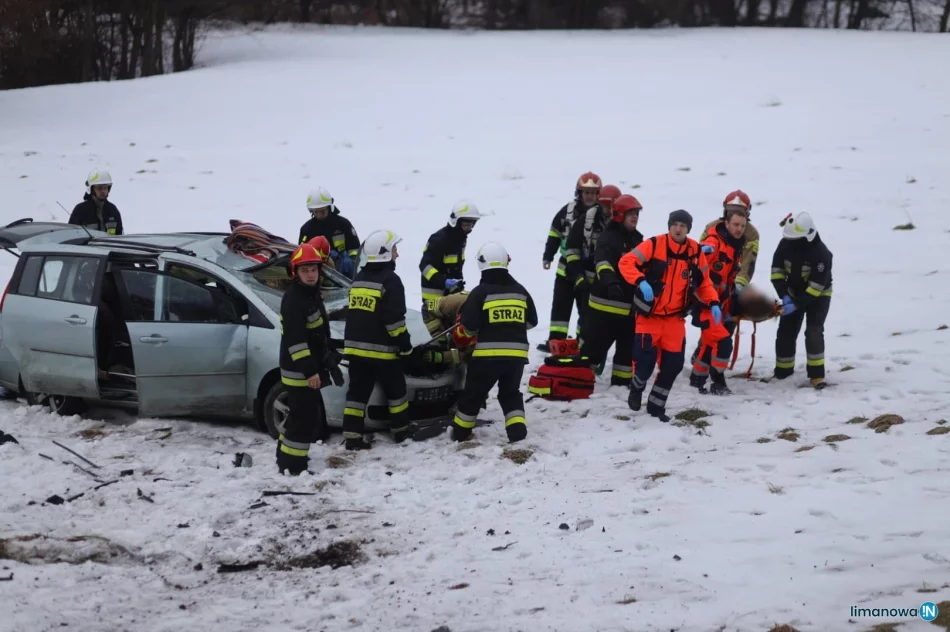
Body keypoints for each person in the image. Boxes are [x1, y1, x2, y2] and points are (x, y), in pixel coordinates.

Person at [618, 210, 720, 421]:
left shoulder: (695, 252)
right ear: (669, 225)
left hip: (674, 319)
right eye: (674, 224)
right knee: (644, 365)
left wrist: (714, 302)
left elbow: (704, 283)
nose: (678, 228)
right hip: (649, 317)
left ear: (688, 229)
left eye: (682, 225)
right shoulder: (654, 245)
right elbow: (626, 263)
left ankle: (656, 407)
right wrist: (640, 281)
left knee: (672, 366)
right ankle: (637, 388)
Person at [451, 242, 538, 443]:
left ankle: (461, 433)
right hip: (516, 357)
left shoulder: (480, 293)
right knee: (510, 394)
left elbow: (469, 328)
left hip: (486, 358)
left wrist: (460, 333)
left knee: (474, 393)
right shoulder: (521, 290)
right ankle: (517, 431)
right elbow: (532, 321)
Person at [342, 229, 414, 449]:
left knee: (356, 394)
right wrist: (405, 345)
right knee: (397, 390)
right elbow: (394, 320)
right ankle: (401, 430)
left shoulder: (359, 279)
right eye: (394, 250)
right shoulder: (391, 281)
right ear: (384, 253)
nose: (397, 255)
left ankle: (352, 437)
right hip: (382, 351)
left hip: (355, 350)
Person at [277, 242, 344, 475]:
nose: (310, 274)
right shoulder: (295, 300)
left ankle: (286, 457)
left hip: (308, 368)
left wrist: (329, 355)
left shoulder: (311, 295)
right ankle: (293, 466)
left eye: (313, 269)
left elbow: (316, 333)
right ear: (295, 272)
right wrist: (310, 372)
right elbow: (296, 342)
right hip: (299, 372)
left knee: (300, 416)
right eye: (304, 270)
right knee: (303, 419)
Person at [579, 194, 643, 386]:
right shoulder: (608, 237)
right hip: (603, 308)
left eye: (637, 214)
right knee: (592, 352)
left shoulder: (638, 239)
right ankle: (578, 381)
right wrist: (610, 282)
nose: (635, 217)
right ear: (620, 215)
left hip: (628, 309)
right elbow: (603, 262)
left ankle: (621, 386)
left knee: (626, 354)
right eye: (631, 214)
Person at [688, 205, 749, 395]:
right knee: (723, 342)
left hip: (721, 304)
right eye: (736, 224)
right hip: (705, 303)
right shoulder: (714, 242)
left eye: (742, 225)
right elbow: (697, 258)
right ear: (726, 223)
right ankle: (718, 381)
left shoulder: (735, 245)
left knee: (708, 343)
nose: (739, 229)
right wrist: (699, 253)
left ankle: (697, 378)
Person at [538, 172, 602, 350]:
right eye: (586, 192)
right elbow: (554, 233)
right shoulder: (567, 211)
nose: (589, 196)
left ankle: (583, 344)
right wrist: (548, 255)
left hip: (589, 273)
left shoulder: (602, 215)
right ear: (579, 192)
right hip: (565, 271)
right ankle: (555, 342)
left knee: (586, 312)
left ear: (599, 194)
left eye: (593, 192)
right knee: (560, 309)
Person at [770, 212, 833, 389]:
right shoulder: (785, 244)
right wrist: (784, 294)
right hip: (793, 292)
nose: (793, 243)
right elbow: (776, 272)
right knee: (786, 331)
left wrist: (796, 304)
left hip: (819, 295)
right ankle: (783, 371)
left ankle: (816, 375)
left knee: (813, 331)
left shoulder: (822, 254)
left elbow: (815, 287)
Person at [563, 184, 622, 347]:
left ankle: (594, 355)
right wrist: (578, 277)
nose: (608, 211)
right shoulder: (586, 220)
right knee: (586, 321)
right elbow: (572, 249)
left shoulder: (623, 225)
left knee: (606, 325)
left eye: (612, 207)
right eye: (605, 206)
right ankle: (583, 354)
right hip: (588, 283)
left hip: (611, 283)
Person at [419, 200, 481, 314]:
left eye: (471, 225)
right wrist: (444, 281)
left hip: (450, 296)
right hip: (434, 297)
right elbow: (425, 266)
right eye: (465, 225)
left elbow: (456, 267)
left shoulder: (460, 240)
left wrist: (458, 286)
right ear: (456, 222)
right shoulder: (438, 239)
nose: (468, 228)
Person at [699, 190, 759, 289]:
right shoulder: (711, 228)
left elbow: (749, 262)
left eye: (740, 211)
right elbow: (700, 258)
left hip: (733, 280)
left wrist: (740, 283)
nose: (735, 215)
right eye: (732, 211)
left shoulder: (751, 234)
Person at [298, 187, 360, 278]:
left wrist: (351, 261)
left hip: (344, 273)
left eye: (322, 211)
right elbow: (301, 255)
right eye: (316, 212)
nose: (319, 215)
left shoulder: (343, 224)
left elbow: (355, 249)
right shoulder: (306, 229)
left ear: (329, 207)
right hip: (317, 272)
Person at [69, 168, 123, 235]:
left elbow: (120, 236)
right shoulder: (80, 211)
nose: (103, 191)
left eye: (105, 187)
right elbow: (71, 237)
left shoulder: (113, 210)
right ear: (91, 189)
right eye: (99, 188)